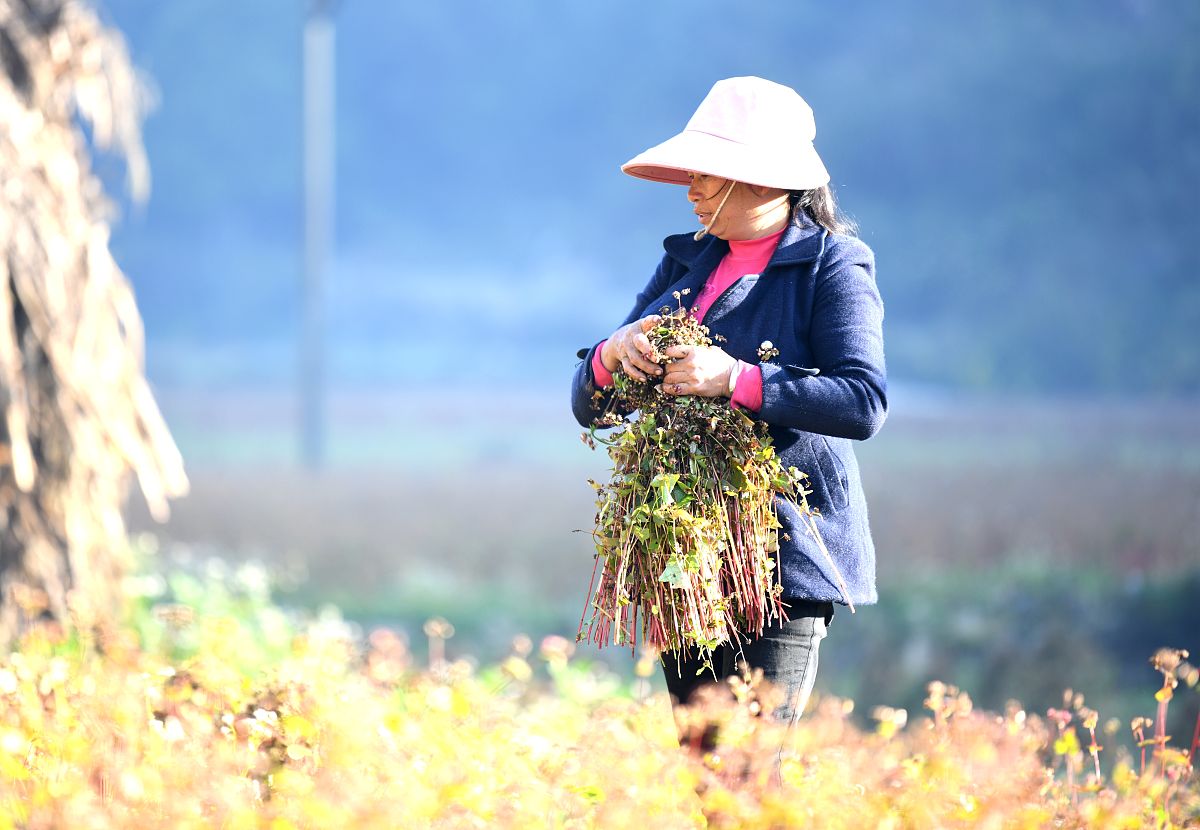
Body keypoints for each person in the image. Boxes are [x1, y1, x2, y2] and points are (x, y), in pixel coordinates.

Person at [570, 76, 887, 725]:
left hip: (775, 565)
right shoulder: (687, 266)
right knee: (710, 782)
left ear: (765, 180)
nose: (691, 187)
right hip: (684, 562)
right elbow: (590, 406)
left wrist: (734, 379)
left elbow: (861, 401)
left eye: (709, 174)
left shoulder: (833, 265)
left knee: (750, 782)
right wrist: (612, 356)